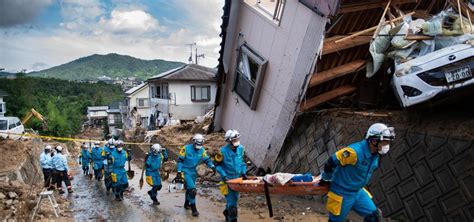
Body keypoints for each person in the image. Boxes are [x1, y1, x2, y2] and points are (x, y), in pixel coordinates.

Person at [319, 123, 395, 222]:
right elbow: (331, 161)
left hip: (358, 191)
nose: (386, 145)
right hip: (342, 193)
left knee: (374, 217)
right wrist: (326, 179)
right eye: (384, 142)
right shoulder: (354, 152)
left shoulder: (375, 154)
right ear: (373, 141)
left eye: (388, 142)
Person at [176, 134, 216, 217]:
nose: (198, 146)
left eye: (200, 144)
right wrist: (179, 171)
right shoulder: (186, 149)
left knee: (189, 189)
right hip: (185, 171)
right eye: (197, 144)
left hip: (193, 172)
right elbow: (180, 160)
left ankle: (186, 204)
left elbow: (207, 159)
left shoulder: (202, 150)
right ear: (194, 142)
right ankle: (194, 209)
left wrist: (212, 166)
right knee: (193, 190)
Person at [215, 129, 247, 222]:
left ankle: (226, 212)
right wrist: (224, 176)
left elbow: (242, 163)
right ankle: (232, 218)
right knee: (233, 206)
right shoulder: (222, 152)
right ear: (229, 141)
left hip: (237, 179)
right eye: (234, 140)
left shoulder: (241, 149)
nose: (236, 142)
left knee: (234, 200)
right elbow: (217, 166)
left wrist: (244, 172)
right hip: (227, 180)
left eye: (237, 139)